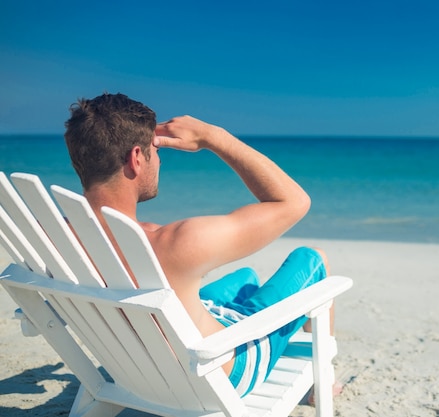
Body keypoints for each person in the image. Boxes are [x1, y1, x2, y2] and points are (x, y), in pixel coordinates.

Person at [63, 92, 335, 397]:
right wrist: (213, 136)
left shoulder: (56, 238)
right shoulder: (176, 243)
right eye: (156, 152)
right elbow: (294, 201)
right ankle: (322, 384)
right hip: (220, 375)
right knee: (312, 258)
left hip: (133, 371)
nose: (160, 161)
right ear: (136, 158)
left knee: (245, 276)